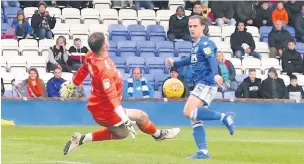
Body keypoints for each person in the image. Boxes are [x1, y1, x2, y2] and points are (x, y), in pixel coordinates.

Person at [60, 32, 180, 155]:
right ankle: (158, 135)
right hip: (107, 110)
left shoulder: (90, 56)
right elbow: (112, 98)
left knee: (124, 131)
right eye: (106, 41)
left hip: (100, 106)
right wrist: (125, 119)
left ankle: (81, 139)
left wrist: (73, 83)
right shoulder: (105, 70)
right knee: (139, 118)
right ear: (105, 47)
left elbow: (84, 69)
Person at [166, 15, 236, 159]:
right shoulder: (196, 44)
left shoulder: (205, 44)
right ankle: (203, 152)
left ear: (203, 27)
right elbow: (191, 60)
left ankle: (224, 116)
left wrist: (216, 74)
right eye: (190, 26)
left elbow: (211, 58)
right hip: (201, 83)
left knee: (188, 111)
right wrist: (175, 64)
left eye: (195, 26)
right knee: (195, 118)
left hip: (207, 82)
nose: (191, 29)